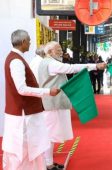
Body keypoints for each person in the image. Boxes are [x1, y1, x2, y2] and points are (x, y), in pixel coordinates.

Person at [38, 41, 106, 170]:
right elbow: (71, 68)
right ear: (50, 52)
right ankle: (47, 164)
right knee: (50, 135)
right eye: (57, 49)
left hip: (52, 103)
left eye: (60, 49)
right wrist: (95, 66)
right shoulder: (51, 63)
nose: (61, 51)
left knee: (51, 134)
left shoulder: (46, 62)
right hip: (52, 104)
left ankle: (48, 162)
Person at [3, 29, 60, 170]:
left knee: (27, 147)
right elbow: (21, 89)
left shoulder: (15, 58)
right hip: (23, 114)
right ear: (22, 42)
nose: (30, 42)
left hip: (21, 112)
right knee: (25, 148)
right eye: (28, 40)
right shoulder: (16, 61)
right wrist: (47, 91)